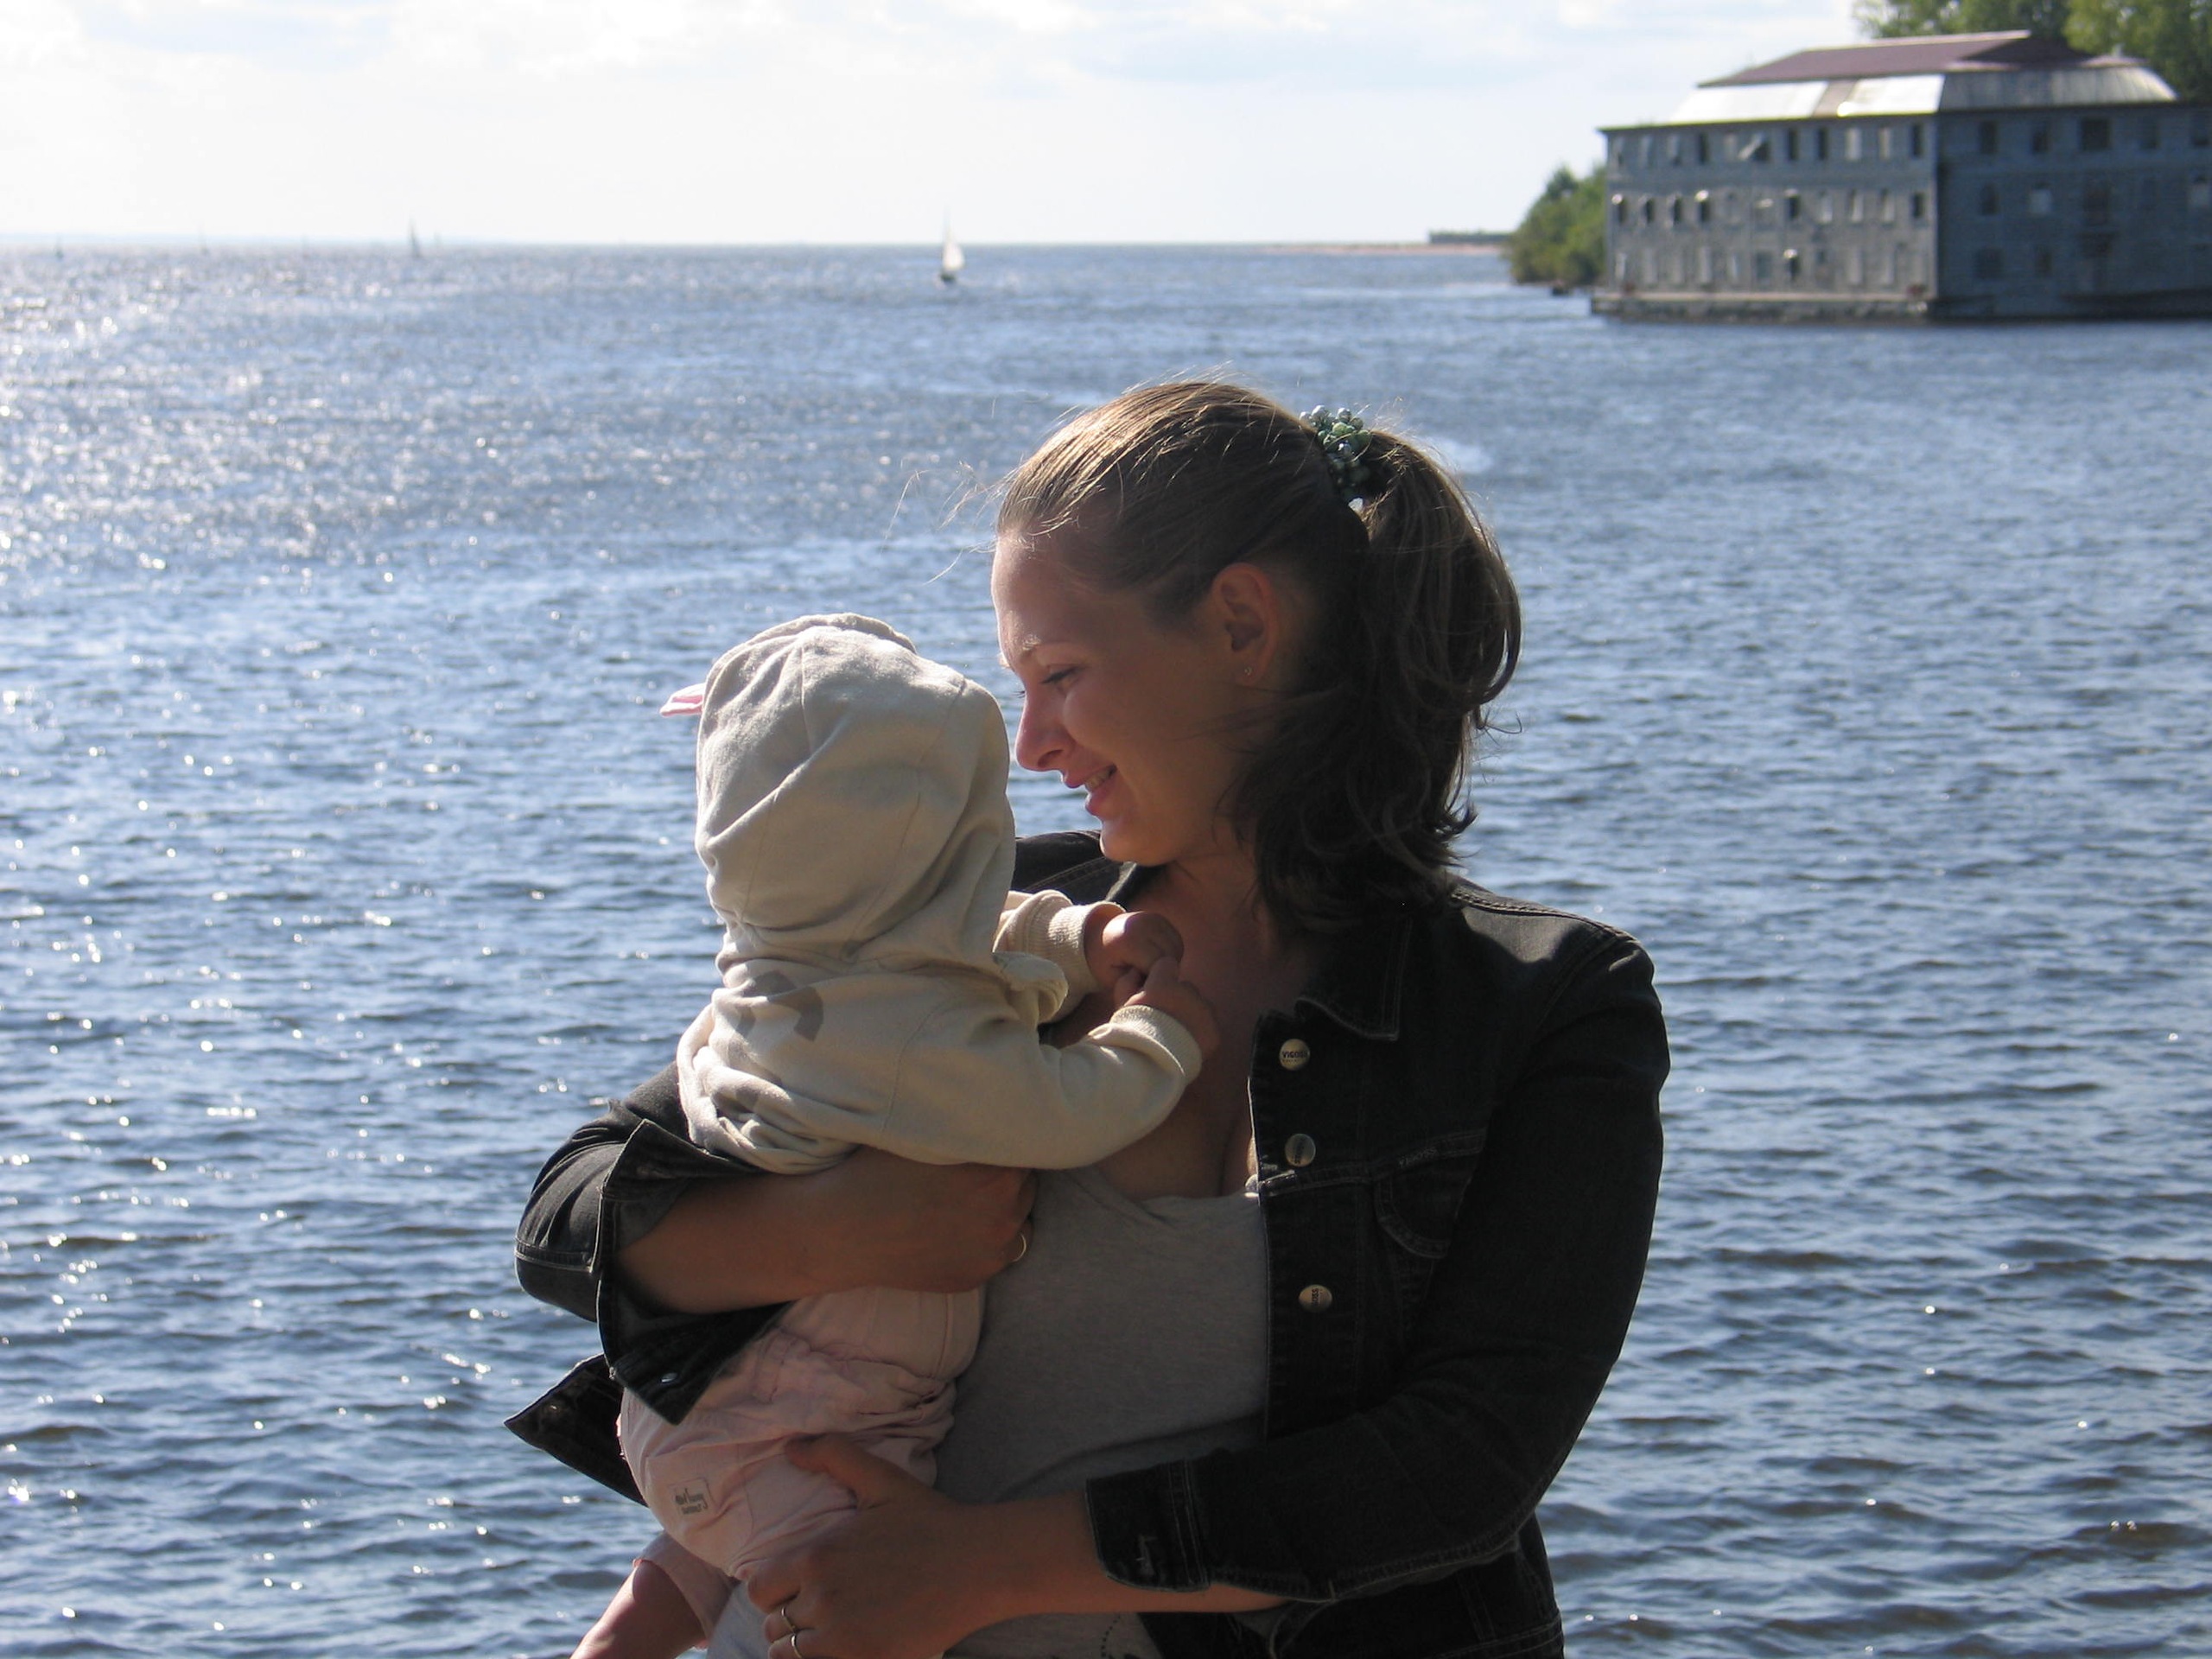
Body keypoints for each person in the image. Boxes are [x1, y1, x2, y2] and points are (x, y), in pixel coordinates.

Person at [511, 381, 1669, 1659]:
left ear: (1241, 625)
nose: (1029, 746)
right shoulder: (976, 917)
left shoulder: (1549, 1005)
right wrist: (835, 1229)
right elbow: (568, 1215)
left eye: (1059, 675)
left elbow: (1463, 1464)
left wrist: (971, 1572)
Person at [605, 613, 1215, 1647]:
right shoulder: (905, 1042)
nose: (1028, 752)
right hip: (806, 1415)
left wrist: (1081, 933)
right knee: (854, 1610)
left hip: (729, 1402)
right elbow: (1065, 1108)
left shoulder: (794, 958)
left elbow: (978, 934)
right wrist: (1162, 1034)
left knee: (739, 1542)